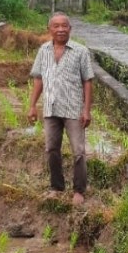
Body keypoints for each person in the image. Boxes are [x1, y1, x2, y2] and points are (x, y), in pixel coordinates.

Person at [27, 12, 94, 206]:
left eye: (64, 26)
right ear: (50, 30)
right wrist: (32, 105)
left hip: (73, 109)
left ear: (70, 29)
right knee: (51, 149)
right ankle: (57, 187)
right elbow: (38, 79)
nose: (61, 29)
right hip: (51, 108)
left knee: (79, 151)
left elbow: (87, 81)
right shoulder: (43, 51)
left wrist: (86, 110)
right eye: (56, 26)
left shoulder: (81, 51)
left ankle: (79, 190)